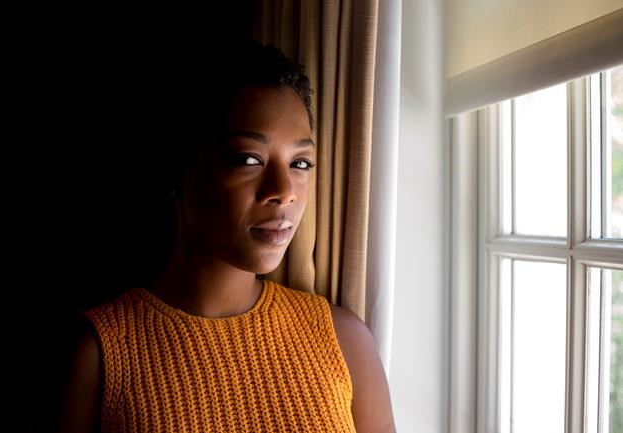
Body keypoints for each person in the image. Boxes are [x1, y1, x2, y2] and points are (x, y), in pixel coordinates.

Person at [57, 39, 395, 433]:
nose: (284, 190)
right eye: (248, 160)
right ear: (179, 170)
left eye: (300, 163)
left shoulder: (343, 341)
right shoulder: (99, 355)